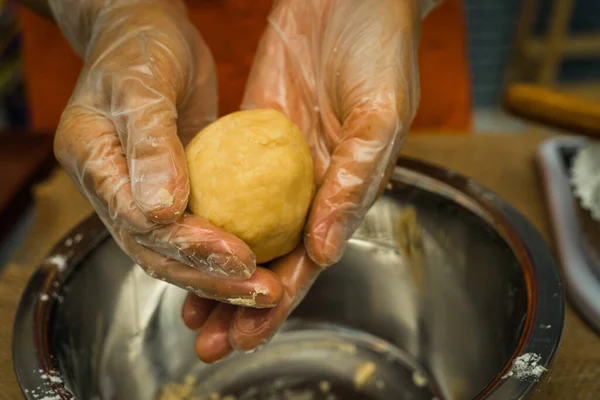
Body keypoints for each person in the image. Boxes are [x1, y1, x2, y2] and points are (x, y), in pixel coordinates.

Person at [16, 0, 471, 363]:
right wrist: (111, 11)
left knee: (373, 143)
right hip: (129, 74)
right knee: (144, 178)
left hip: (344, 64)